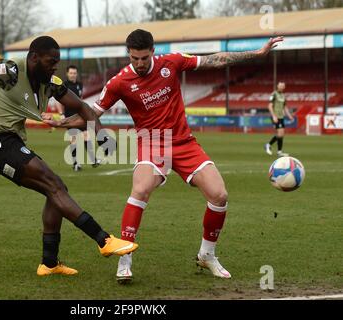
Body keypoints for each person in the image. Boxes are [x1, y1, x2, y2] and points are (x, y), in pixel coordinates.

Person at [46, 29, 283, 283]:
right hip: (151, 144)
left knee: (219, 194)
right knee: (141, 189)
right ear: (129, 54)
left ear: (153, 51)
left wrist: (257, 53)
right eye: (134, 58)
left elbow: (216, 59)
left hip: (183, 142)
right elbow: (90, 113)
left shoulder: (172, 62)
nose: (138, 63)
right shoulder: (119, 82)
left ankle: (207, 254)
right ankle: (125, 257)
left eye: (144, 58)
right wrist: (61, 123)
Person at [0, 36, 138, 277]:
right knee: (53, 185)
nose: (55, 67)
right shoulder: (8, 70)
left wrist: (102, 136)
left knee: (56, 189)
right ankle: (103, 240)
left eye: (57, 62)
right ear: (33, 58)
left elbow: (82, 106)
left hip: (11, 141)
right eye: (51, 61)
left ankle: (49, 264)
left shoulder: (49, 82)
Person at [56, 65, 101, 171]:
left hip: (80, 115)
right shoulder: (64, 85)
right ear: (67, 74)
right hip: (69, 117)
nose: (73, 75)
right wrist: (61, 114)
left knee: (86, 136)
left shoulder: (79, 84)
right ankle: (76, 163)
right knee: (74, 139)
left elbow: (80, 100)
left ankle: (93, 160)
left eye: (74, 73)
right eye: (71, 73)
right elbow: (59, 101)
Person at [264, 82, 294, 156]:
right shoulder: (274, 94)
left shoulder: (283, 96)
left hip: (281, 117)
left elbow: (285, 107)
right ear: (277, 86)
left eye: (282, 86)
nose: (281, 87)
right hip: (275, 116)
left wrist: (289, 116)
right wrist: (273, 116)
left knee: (281, 134)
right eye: (280, 85)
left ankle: (279, 151)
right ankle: (268, 145)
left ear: (284, 87)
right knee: (280, 133)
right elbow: (270, 106)